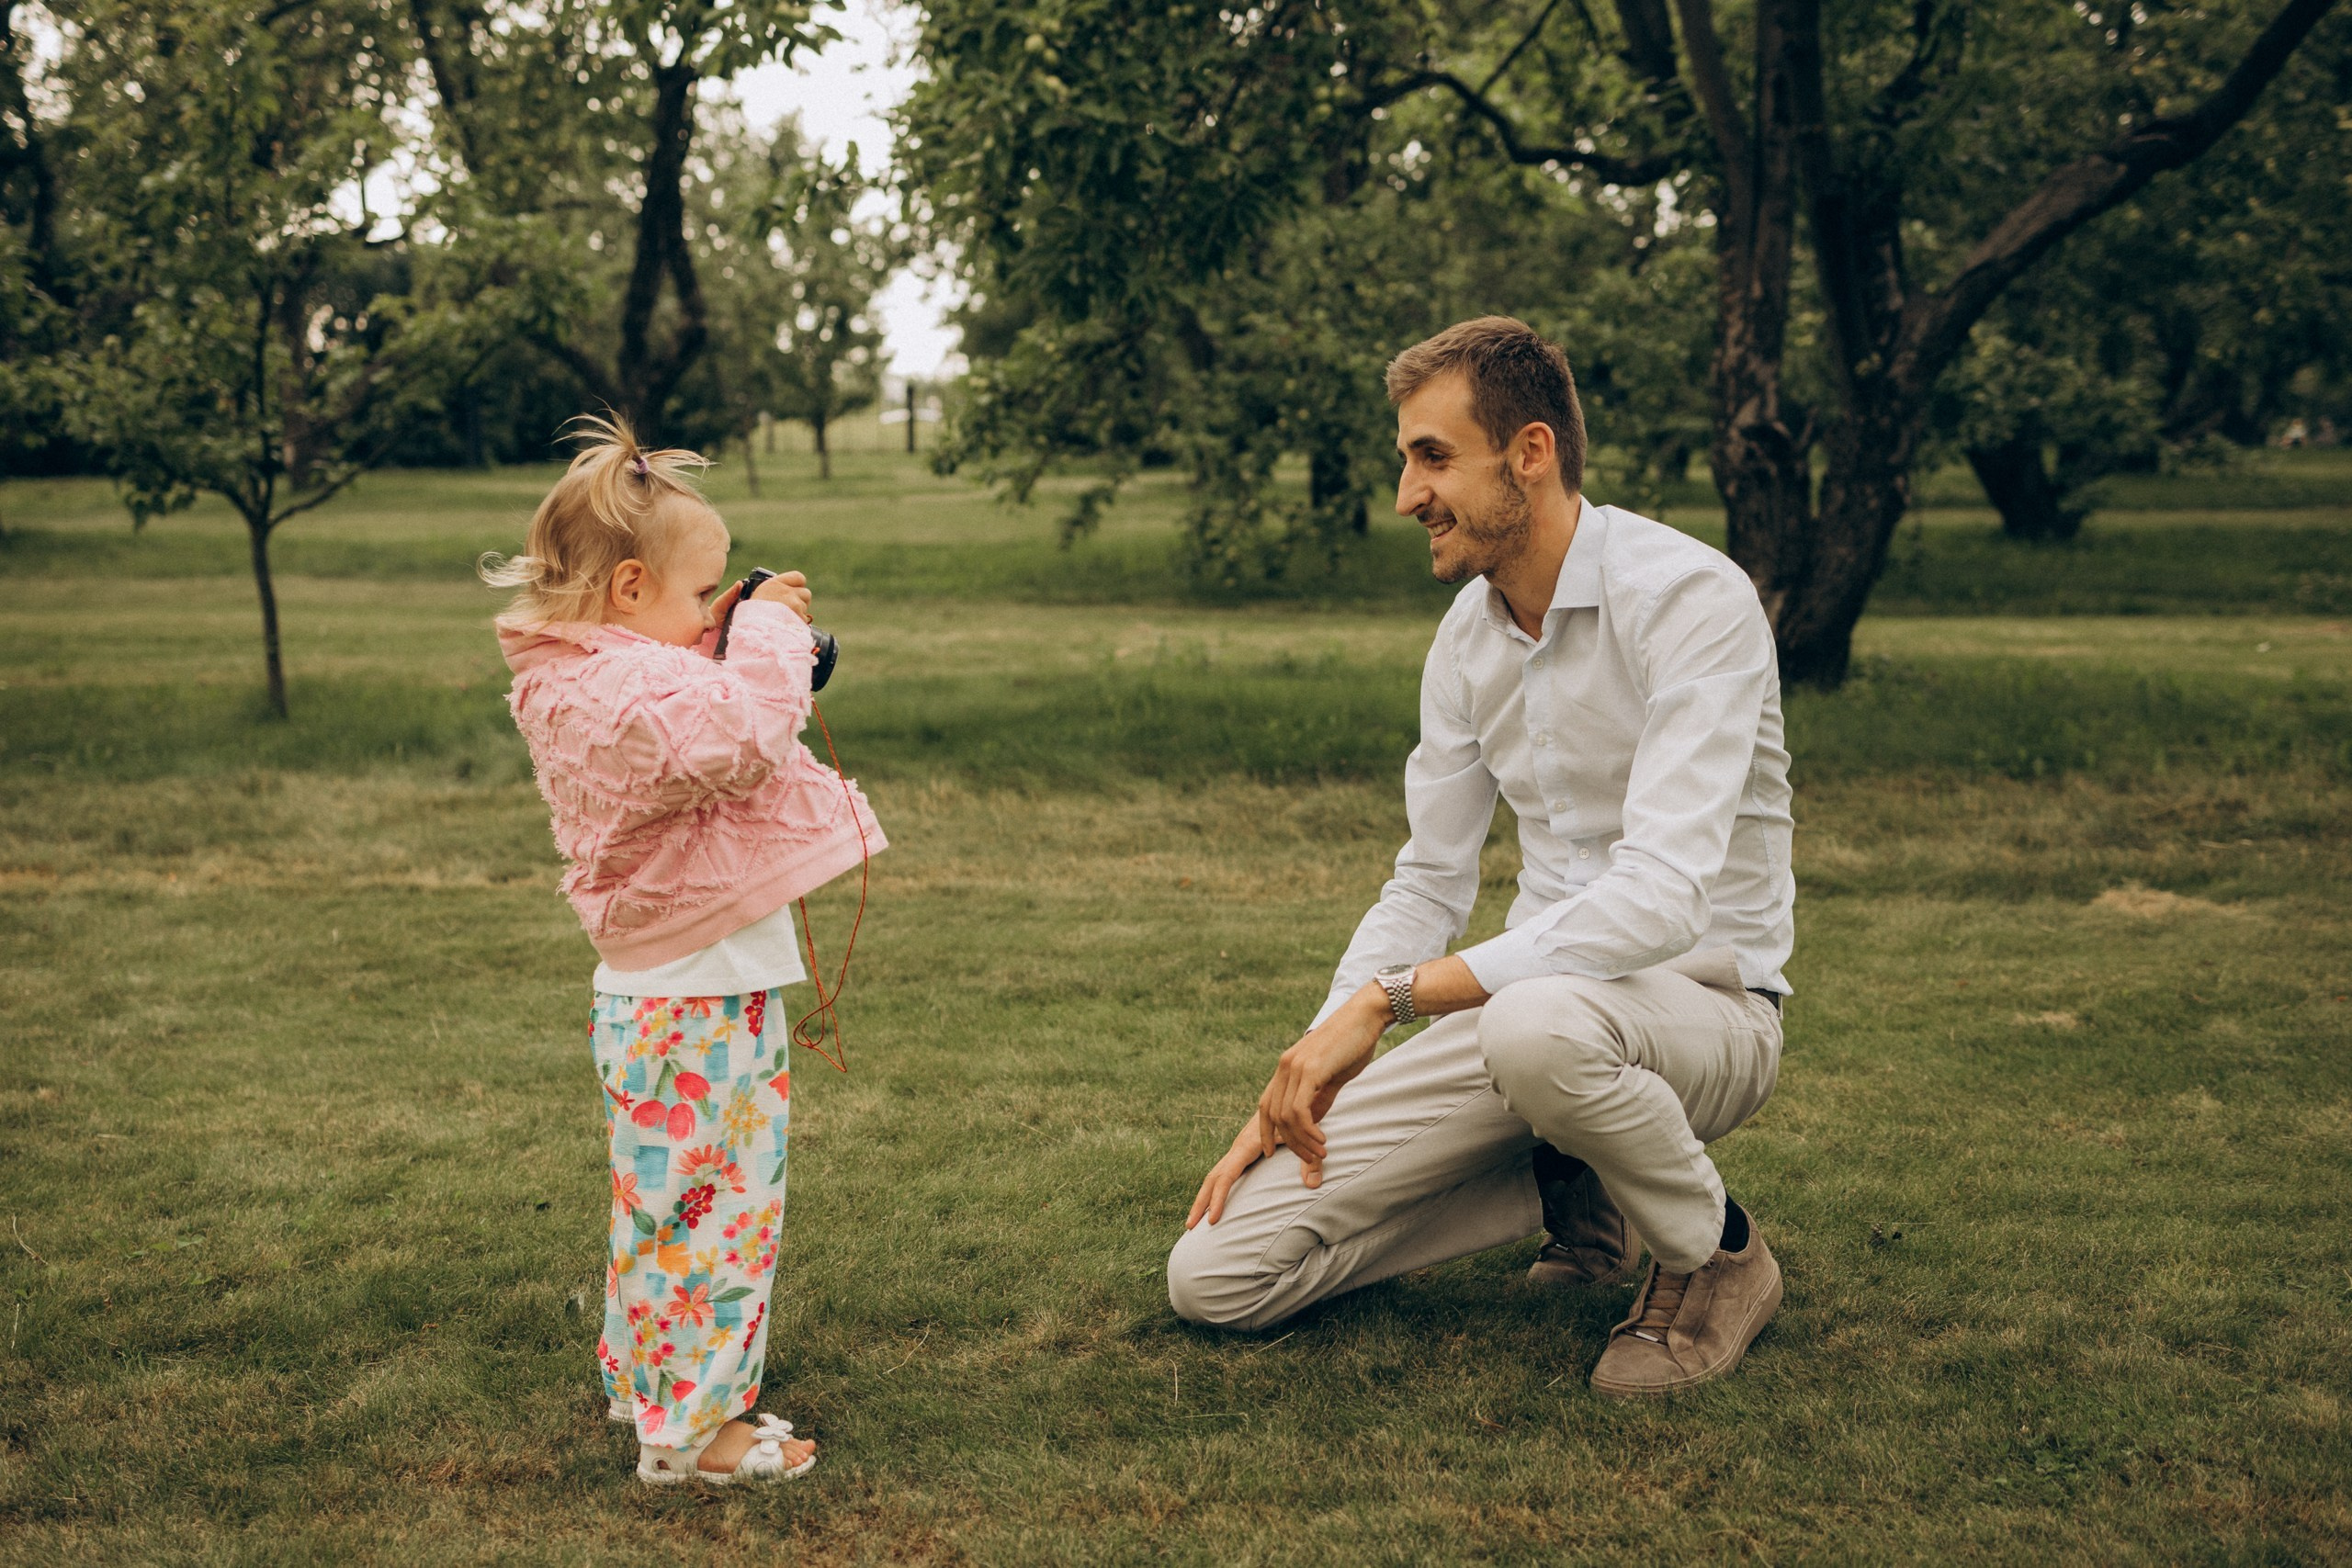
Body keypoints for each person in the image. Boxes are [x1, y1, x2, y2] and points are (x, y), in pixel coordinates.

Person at [1166, 318, 1794, 1396]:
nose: (1406, 495)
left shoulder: (1691, 599)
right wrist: (1308, 1071)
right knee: (1216, 1276)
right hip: (1529, 1023)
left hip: (1706, 1008)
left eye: (1432, 457)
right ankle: (1572, 1181)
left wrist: (1390, 1000)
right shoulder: (1466, 638)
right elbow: (1428, 878)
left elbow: (1658, 900)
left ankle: (1714, 1255)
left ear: (1529, 453)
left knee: (1534, 1024)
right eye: (1405, 460)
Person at [484, 417, 885, 1482]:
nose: (714, 615)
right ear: (627, 589)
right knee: (713, 1222)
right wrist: (767, 633)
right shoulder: (610, 691)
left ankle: (651, 1392)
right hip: (693, 1004)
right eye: (701, 594)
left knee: (665, 1211)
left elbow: (704, 712)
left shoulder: (606, 678)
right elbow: (740, 732)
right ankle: (693, 1442)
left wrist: (739, 635)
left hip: (686, 995)